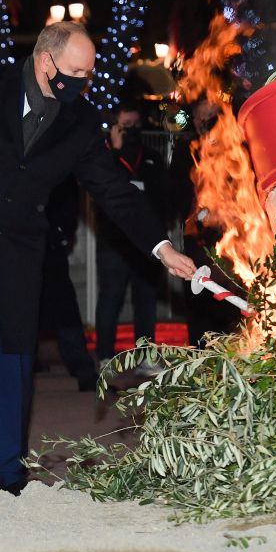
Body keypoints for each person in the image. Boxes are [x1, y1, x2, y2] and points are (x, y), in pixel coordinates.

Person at [0, 21, 196, 497]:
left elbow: (112, 190)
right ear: (45, 60)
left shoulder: (78, 121)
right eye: (76, 71)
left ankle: (9, 476)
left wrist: (161, 247)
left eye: (89, 73)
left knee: (13, 360)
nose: (83, 81)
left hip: (16, 252)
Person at [94, 103, 168, 374]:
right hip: (114, 242)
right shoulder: (104, 158)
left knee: (146, 300)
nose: (132, 131)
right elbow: (103, 192)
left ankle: (145, 356)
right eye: (126, 127)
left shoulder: (151, 157)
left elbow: (162, 196)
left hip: (146, 242)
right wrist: (114, 151)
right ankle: (104, 357)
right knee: (111, 299)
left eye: (136, 125)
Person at [169, 99, 243, 346]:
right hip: (198, 240)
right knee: (200, 300)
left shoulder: (233, 148)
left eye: (211, 116)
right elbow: (176, 190)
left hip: (231, 238)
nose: (206, 121)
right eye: (202, 117)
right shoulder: (186, 148)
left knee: (233, 299)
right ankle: (202, 357)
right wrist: (200, 212)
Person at [37, 175, 99, 391]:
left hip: (51, 245)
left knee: (65, 307)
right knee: (22, 307)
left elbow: (68, 198)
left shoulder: (60, 160)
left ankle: (83, 369)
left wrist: (61, 233)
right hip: (24, 242)